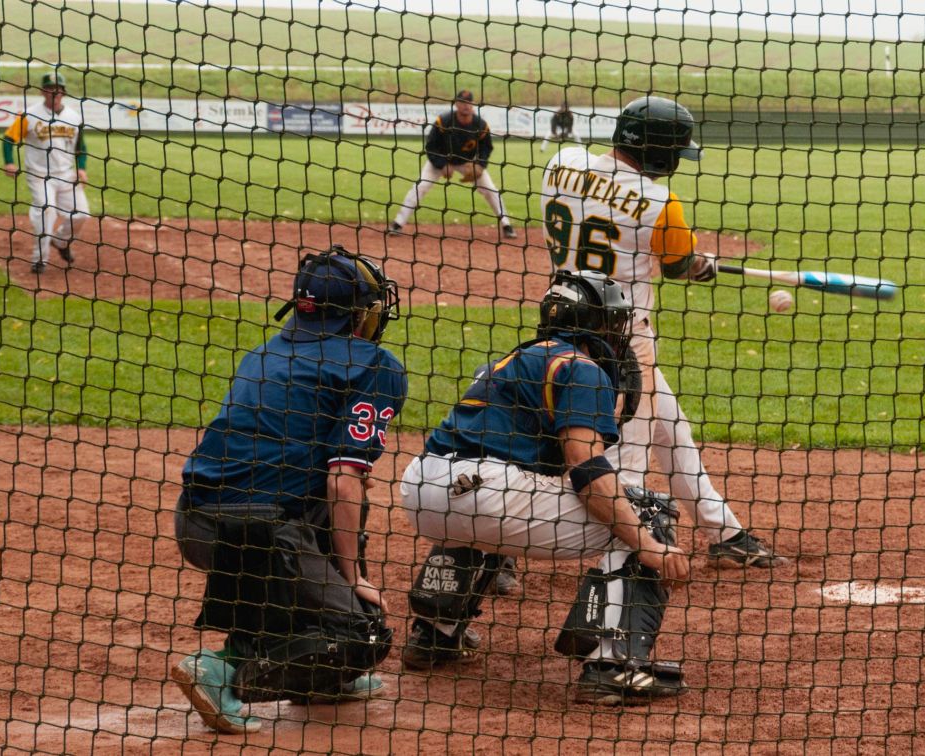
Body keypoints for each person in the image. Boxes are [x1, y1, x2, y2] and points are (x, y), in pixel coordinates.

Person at [400, 270, 691, 706]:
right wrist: (648, 545)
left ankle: (434, 633)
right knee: (647, 511)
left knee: (488, 509)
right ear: (597, 325)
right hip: (488, 495)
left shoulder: (511, 360)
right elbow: (588, 472)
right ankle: (612, 666)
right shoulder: (583, 368)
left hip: (422, 490)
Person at [539, 95, 783, 567]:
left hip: (558, 323)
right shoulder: (659, 202)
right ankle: (619, 567)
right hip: (621, 343)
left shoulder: (561, 162)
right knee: (626, 462)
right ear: (661, 152)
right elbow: (677, 265)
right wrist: (700, 266)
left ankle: (725, 533)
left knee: (671, 431)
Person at [171, 246, 406, 734]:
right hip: (257, 532)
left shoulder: (264, 353)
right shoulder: (373, 364)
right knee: (362, 632)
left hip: (195, 522)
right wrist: (353, 578)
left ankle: (324, 678)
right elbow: (343, 480)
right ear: (357, 314)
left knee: (325, 503)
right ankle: (225, 669)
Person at [389, 89, 517, 239]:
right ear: (456, 104)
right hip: (441, 159)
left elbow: (486, 148)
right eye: (462, 102)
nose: (466, 105)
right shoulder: (443, 121)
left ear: (473, 105)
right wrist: (442, 164)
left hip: (467, 163)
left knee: (490, 190)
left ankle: (507, 225)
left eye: (468, 102)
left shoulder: (480, 125)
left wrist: (480, 165)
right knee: (420, 186)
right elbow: (430, 146)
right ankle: (398, 223)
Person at [2, 70, 89, 274]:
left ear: (63, 93)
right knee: (46, 211)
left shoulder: (74, 117)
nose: (54, 93)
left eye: (57, 89)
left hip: (66, 174)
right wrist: (9, 163)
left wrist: (82, 168)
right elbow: (8, 139)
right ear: (42, 92)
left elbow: (81, 147)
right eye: (49, 89)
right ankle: (39, 260)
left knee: (81, 214)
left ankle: (60, 241)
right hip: (39, 175)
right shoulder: (29, 115)